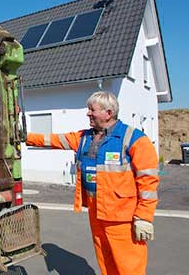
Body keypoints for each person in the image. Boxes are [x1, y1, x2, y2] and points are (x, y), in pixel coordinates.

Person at [26, 91, 159, 275]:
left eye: (92, 110)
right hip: (97, 213)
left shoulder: (134, 139)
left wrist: (144, 217)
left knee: (129, 266)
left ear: (108, 113)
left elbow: (148, 182)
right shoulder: (84, 138)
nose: (88, 113)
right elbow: (52, 140)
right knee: (105, 262)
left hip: (122, 217)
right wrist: (23, 135)